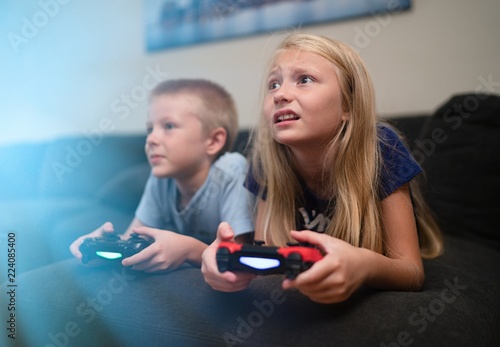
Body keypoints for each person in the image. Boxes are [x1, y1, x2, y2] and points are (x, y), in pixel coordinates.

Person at [201, 33, 443, 303]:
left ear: (348, 106)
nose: (280, 94)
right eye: (273, 84)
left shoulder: (382, 148)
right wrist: (220, 259)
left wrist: (364, 265)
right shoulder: (265, 159)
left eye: (304, 80)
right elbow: (271, 258)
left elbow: (411, 272)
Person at [70, 78, 254, 272]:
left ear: (213, 141)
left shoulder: (232, 172)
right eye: (150, 129)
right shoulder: (160, 179)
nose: (151, 138)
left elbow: (235, 258)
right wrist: (101, 246)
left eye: (168, 126)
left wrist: (189, 250)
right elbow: (133, 241)